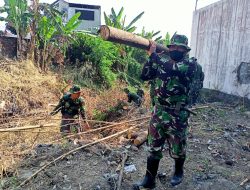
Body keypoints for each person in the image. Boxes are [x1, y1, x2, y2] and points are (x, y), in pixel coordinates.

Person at [134, 34, 196, 189]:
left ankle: (178, 172)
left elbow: (173, 70)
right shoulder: (161, 63)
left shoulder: (190, 65)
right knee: (153, 146)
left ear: (185, 50)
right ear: (169, 48)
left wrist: (154, 55)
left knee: (178, 147)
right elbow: (144, 76)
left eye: (179, 48)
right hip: (159, 112)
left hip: (177, 114)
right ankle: (149, 180)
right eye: (173, 47)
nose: (176, 49)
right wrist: (151, 58)